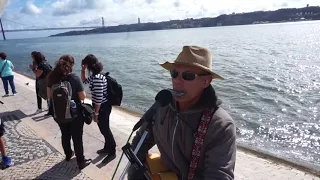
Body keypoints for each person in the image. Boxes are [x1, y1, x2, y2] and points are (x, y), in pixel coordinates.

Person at [128, 46, 236, 180]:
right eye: (174, 74)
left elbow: (219, 175)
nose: (177, 81)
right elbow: (141, 140)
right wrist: (135, 173)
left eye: (188, 76)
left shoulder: (220, 125)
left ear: (206, 81)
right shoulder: (162, 107)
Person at [47, 55, 91, 170]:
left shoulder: (51, 77)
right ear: (71, 65)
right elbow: (82, 96)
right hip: (74, 113)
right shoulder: (74, 78)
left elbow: (48, 96)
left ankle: (68, 154)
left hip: (58, 113)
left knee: (65, 134)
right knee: (77, 137)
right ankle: (81, 161)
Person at [81, 54, 116, 164]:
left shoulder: (97, 78)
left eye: (86, 65)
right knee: (103, 128)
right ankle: (107, 147)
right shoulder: (96, 75)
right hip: (101, 106)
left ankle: (112, 151)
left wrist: (96, 113)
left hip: (102, 107)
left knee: (105, 129)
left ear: (89, 65)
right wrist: (82, 70)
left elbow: (99, 98)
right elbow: (84, 81)